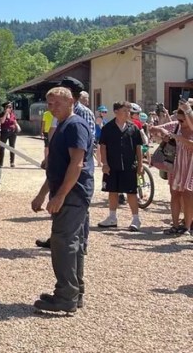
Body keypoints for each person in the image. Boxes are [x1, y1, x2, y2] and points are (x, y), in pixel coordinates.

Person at [30, 87, 95, 313]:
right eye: (49, 104)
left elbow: (76, 164)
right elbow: (57, 167)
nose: (52, 107)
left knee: (63, 243)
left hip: (73, 194)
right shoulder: (62, 126)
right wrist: (42, 193)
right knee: (71, 243)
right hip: (69, 192)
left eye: (57, 103)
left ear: (70, 102)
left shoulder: (75, 125)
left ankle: (66, 296)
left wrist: (60, 196)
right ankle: (74, 293)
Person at [97, 102, 146, 231]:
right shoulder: (107, 128)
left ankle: (136, 219)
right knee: (112, 191)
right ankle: (112, 218)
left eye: (128, 111)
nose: (128, 113)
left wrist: (140, 165)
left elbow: (138, 148)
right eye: (125, 110)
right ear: (116, 111)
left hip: (129, 166)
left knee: (131, 192)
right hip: (112, 166)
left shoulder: (133, 128)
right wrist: (104, 163)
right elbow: (103, 147)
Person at [149, 100, 193, 238]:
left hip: (190, 167)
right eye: (178, 119)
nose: (180, 122)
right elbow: (152, 128)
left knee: (188, 196)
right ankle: (175, 225)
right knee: (175, 195)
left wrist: (177, 138)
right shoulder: (175, 126)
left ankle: (187, 226)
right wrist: (162, 131)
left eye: (182, 120)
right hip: (175, 166)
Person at [0, 101, 20, 168]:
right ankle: (1, 162)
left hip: (12, 132)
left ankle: (12, 162)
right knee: (2, 147)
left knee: (12, 147)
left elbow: (14, 121)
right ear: (5, 108)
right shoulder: (1, 114)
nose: (10, 108)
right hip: (4, 132)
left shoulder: (12, 114)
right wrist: (5, 114)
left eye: (10, 107)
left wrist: (17, 126)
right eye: (8, 107)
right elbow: (2, 121)